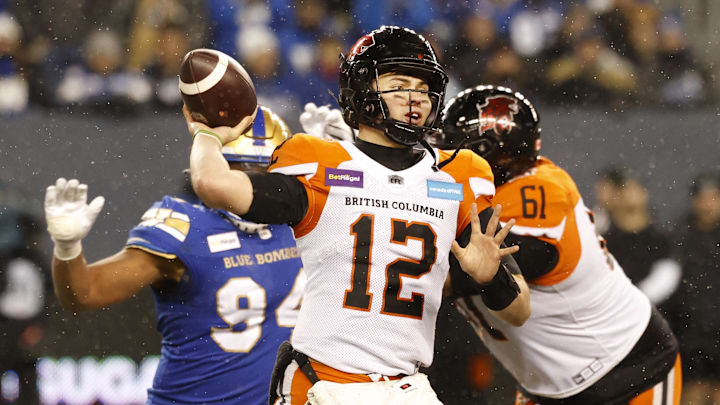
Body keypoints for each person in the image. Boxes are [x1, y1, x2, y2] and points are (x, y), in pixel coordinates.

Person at [185, 25, 530, 405]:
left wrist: (490, 278)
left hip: (406, 386)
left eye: (423, 87)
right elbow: (213, 184)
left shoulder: (459, 174)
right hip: (324, 382)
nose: (415, 98)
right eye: (399, 84)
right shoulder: (321, 163)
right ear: (364, 87)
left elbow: (519, 310)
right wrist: (207, 134)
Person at [44, 107, 306, 405]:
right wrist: (67, 248)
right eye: (240, 170)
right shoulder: (186, 227)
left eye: (265, 174)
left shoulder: (306, 222)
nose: (253, 186)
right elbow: (84, 293)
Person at [438, 85, 681, 405]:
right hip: (547, 386)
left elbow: (468, 273)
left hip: (627, 369)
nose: (443, 158)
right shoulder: (488, 190)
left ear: (488, 155)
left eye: (452, 149)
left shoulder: (538, 192)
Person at [665, 172, 720, 405]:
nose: (708, 204)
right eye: (703, 198)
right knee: (691, 394)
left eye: (714, 198)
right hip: (689, 335)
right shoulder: (678, 236)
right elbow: (668, 286)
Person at [0, 181, 49, 405]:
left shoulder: (35, 260)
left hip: (24, 324)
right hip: (8, 323)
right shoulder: (12, 259)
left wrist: (38, 323)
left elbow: (50, 294)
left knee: (27, 373)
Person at [603, 172, 681, 306]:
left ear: (644, 194)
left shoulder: (662, 239)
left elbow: (667, 276)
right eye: (622, 191)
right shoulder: (603, 241)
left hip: (655, 316)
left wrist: (636, 298)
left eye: (634, 189)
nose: (628, 195)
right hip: (614, 314)